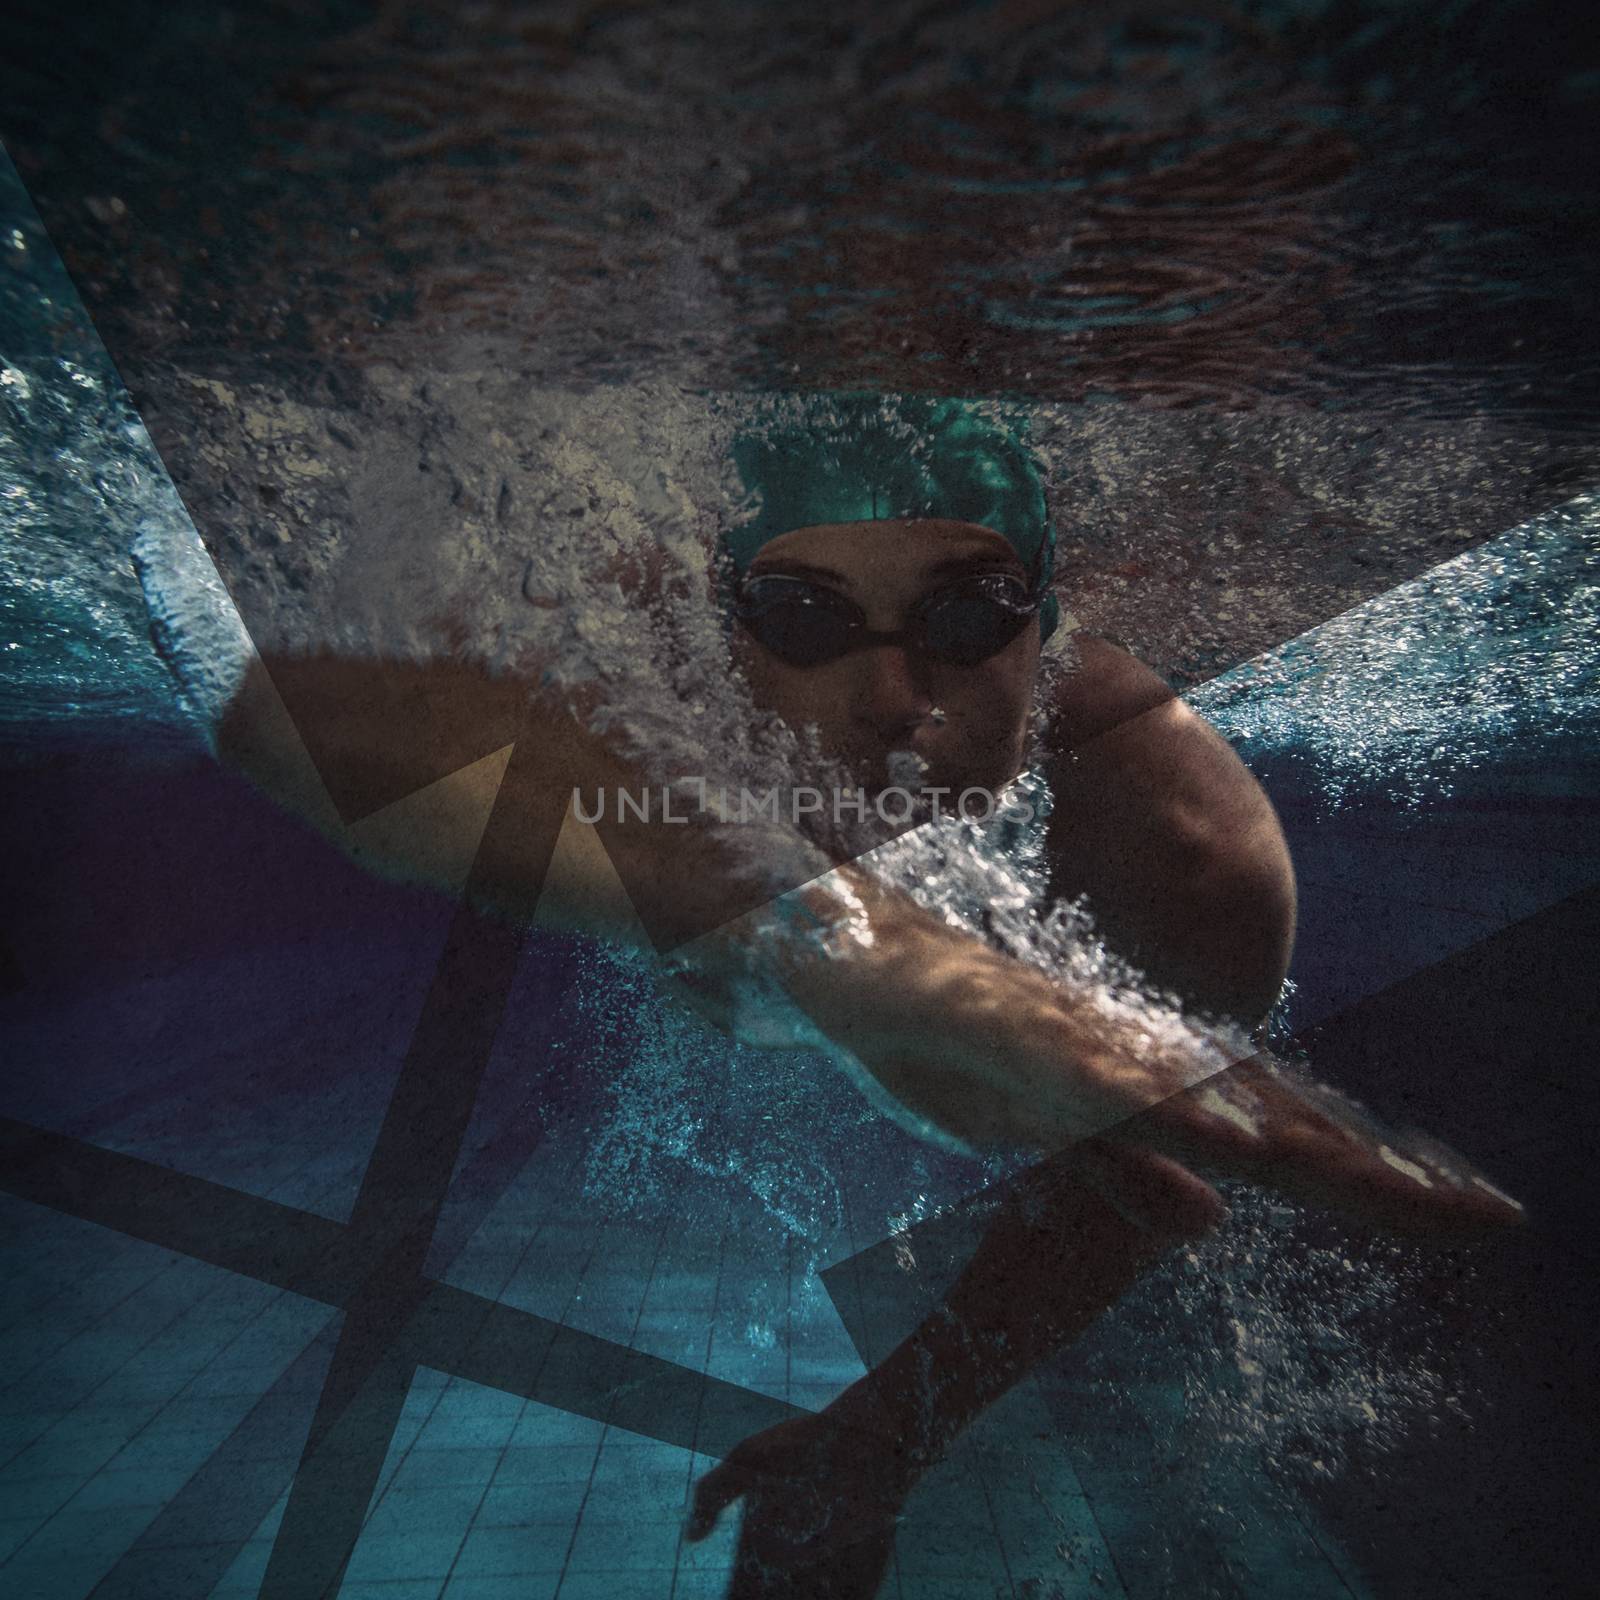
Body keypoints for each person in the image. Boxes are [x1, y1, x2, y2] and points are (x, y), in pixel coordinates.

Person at [210, 390, 1523, 1597]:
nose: (895, 697)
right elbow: (276, 717)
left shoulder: (1185, 858)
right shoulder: (651, 678)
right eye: (804, 619)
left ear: (1048, 628)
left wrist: (886, 1434)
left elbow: (1126, 1190)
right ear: (726, 634)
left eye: (968, 618)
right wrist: (831, 935)